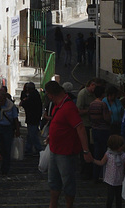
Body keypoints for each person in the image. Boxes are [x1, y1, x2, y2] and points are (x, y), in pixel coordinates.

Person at [44, 80, 93, 208]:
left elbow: (80, 128)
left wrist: (86, 151)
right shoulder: (58, 105)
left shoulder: (68, 107)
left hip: (66, 152)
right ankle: (53, 204)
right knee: (53, 182)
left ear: (50, 95)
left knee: (67, 182)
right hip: (55, 150)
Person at [93, 134, 125, 208]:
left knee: (118, 197)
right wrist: (93, 160)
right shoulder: (108, 154)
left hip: (119, 180)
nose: (123, 147)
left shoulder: (123, 155)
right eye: (121, 145)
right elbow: (101, 162)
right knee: (110, 197)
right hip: (110, 180)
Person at [0, 89, 20, 174]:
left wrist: (17, 130)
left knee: (7, 148)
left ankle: (5, 168)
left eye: (1, 100)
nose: (0, 102)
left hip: (7, 128)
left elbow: (15, 119)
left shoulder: (11, 106)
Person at [88, 85, 111, 182]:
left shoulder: (92, 104)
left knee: (97, 153)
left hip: (95, 130)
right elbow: (107, 119)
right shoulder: (103, 105)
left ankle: (95, 175)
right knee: (106, 152)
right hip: (104, 130)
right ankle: (105, 174)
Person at [76, 78, 97, 178]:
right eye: (94, 86)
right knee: (85, 146)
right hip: (85, 124)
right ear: (91, 85)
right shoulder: (83, 94)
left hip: (92, 124)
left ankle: (89, 169)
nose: (95, 89)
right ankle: (84, 169)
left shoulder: (93, 94)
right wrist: (90, 110)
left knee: (91, 147)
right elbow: (78, 110)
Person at [20, 81, 43, 155]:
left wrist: (23, 103)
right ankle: (28, 148)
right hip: (34, 118)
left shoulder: (33, 96)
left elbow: (27, 104)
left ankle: (39, 149)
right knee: (30, 134)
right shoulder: (34, 94)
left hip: (33, 118)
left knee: (33, 134)